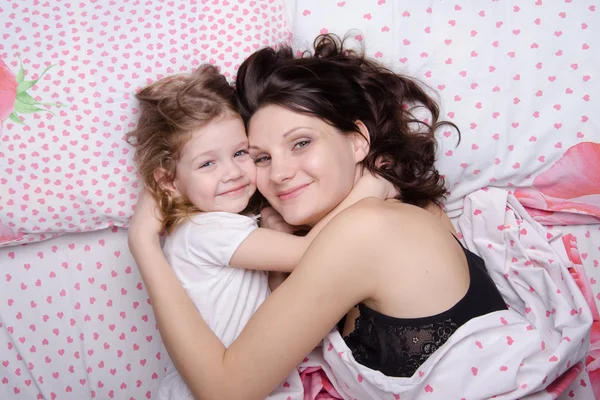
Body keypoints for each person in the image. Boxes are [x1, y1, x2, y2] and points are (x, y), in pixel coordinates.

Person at [128, 34, 508, 399]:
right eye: (261, 156)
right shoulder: (393, 213)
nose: (278, 173)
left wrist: (143, 244)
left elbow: (225, 390)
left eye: (301, 143)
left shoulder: (368, 228)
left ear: (358, 141)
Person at [126, 63, 393, 399]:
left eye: (240, 153)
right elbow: (311, 252)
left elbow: (274, 304)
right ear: (169, 182)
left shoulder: (224, 227)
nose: (233, 172)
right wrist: (370, 189)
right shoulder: (205, 231)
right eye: (208, 163)